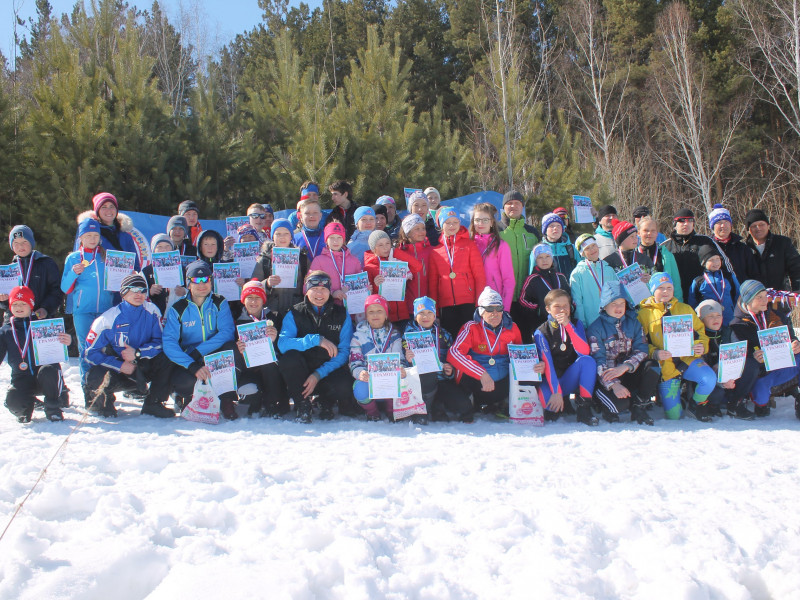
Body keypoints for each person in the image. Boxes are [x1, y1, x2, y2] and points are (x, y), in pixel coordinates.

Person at [84, 273, 175, 418]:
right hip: (119, 370)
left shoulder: (152, 311)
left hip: (144, 365)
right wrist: (118, 365)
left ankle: (154, 403)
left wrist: (138, 353)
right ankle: (103, 402)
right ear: (123, 293)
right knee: (94, 374)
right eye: (133, 289)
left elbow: (160, 343)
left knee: (169, 357)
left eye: (143, 290)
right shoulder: (107, 319)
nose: (139, 294)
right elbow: (90, 353)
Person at [277, 271, 358, 423]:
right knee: (289, 359)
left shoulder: (341, 314)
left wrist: (318, 374)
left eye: (324, 289)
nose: (319, 294)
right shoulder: (295, 312)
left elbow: (344, 351)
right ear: (307, 291)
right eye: (314, 289)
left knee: (345, 385)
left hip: (327, 371)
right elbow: (283, 344)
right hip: (302, 372)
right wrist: (315, 340)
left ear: (330, 291)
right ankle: (302, 404)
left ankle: (325, 401)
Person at [162, 260, 239, 420]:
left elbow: (227, 332)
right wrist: (191, 365)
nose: (202, 284)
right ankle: (189, 397)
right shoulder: (178, 308)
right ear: (188, 284)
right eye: (196, 280)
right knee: (183, 381)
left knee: (231, 347)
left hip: (211, 354)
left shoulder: (219, 302)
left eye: (206, 279)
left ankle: (226, 398)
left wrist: (200, 351)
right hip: (190, 359)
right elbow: (169, 343)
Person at [638, 272, 717, 421]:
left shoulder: (685, 308)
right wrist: (655, 353)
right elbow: (639, 343)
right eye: (661, 288)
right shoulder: (643, 314)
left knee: (709, 378)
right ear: (653, 290)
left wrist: (701, 345)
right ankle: (678, 399)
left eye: (669, 287)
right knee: (674, 416)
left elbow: (701, 332)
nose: (666, 291)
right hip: (666, 366)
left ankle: (696, 404)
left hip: (687, 359)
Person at [588, 281, 658, 425]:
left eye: (622, 303)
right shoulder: (595, 328)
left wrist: (626, 366)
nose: (618, 307)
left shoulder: (633, 322)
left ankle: (638, 405)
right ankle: (604, 403)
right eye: (613, 303)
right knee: (619, 406)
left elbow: (642, 349)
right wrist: (614, 385)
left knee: (653, 366)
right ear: (605, 305)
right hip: (607, 377)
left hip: (628, 372)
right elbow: (598, 360)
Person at [729, 279, 800, 419]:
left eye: (765, 296)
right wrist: (752, 354)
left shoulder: (775, 314)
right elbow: (738, 354)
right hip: (761, 372)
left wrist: (794, 342)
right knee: (755, 376)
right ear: (748, 300)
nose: (764, 300)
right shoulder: (737, 324)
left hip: (779, 363)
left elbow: (790, 335)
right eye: (759, 297)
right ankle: (749, 402)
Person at [449, 287, 524, 416]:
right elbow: (454, 353)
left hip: (503, 382)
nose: (495, 313)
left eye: (499, 308)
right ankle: (474, 400)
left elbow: (521, 357)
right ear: (481, 311)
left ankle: (505, 401)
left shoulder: (513, 328)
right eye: (489, 309)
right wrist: (482, 374)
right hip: (478, 383)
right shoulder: (471, 328)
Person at [1, 286, 70, 422]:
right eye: (15, 304)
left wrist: (68, 341)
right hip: (22, 378)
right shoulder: (5, 331)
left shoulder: (44, 326)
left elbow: (61, 350)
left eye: (23, 303)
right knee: (13, 400)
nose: (19, 307)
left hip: (45, 377)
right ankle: (25, 410)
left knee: (49, 370)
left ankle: (53, 408)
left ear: (31, 305)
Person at [61, 217, 114, 396]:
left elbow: (117, 282)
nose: (92, 239)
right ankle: (88, 388)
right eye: (88, 235)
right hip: (83, 311)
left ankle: (106, 388)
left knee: (105, 348)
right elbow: (65, 288)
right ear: (81, 238)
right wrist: (73, 274)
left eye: (95, 235)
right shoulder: (74, 258)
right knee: (86, 349)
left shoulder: (107, 256)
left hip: (105, 310)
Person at [402, 296, 474, 422]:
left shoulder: (445, 334)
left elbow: (452, 359)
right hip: (419, 381)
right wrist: (408, 360)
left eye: (430, 313)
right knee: (427, 379)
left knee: (465, 406)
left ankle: (437, 407)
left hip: (441, 379)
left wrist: (449, 370)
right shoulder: (407, 335)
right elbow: (402, 361)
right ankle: (421, 412)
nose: (426, 317)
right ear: (415, 316)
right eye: (421, 313)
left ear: (435, 316)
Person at [534, 289, 598, 425]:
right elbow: (548, 363)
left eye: (565, 306)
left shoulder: (576, 324)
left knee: (587, 361)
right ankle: (562, 399)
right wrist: (556, 392)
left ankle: (584, 408)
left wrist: (568, 326)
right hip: (552, 380)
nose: (562, 310)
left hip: (569, 377)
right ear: (548, 309)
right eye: (557, 306)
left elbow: (584, 352)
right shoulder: (541, 332)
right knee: (549, 407)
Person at [349, 294, 411, 422]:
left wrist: (401, 368)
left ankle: (392, 411)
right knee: (360, 389)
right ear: (366, 315)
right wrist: (360, 373)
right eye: (371, 312)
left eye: (379, 311)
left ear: (386, 314)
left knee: (401, 380)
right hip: (370, 380)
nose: (375, 315)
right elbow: (354, 362)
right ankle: (372, 412)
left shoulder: (394, 335)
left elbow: (400, 359)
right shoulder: (358, 336)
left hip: (389, 380)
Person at [233, 280, 289, 418]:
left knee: (269, 363)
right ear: (243, 300)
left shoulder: (274, 316)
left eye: (257, 297)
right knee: (248, 391)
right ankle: (255, 401)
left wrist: (276, 339)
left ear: (263, 300)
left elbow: (285, 345)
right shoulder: (237, 320)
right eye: (249, 298)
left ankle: (273, 402)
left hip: (272, 368)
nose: (253, 302)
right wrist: (238, 348)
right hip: (249, 368)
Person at [427, 207, 486, 337]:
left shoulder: (469, 245)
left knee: (470, 339)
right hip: (446, 305)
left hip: (468, 303)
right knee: (451, 339)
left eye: (455, 222)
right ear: (441, 225)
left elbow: (479, 276)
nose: (452, 226)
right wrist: (435, 312)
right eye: (448, 222)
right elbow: (432, 285)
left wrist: (479, 305)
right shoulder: (435, 252)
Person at [695, 299, 754, 420]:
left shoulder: (728, 332)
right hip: (712, 380)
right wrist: (721, 381)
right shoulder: (699, 336)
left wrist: (732, 373)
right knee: (717, 391)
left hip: (729, 376)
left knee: (750, 366)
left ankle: (737, 402)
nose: (715, 319)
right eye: (710, 316)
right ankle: (711, 405)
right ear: (701, 319)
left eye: (718, 315)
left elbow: (738, 354)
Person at [498, 190, 540, 341]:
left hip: (527, 295)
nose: (513, 206)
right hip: (504, 295)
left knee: (527, 336)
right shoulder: (497, 230)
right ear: (504, 207)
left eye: (517, 203)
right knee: (506, 337)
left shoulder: (532, 232)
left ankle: (528, 363)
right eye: (509, 203)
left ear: (522, 207)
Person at [252, 219, 309, 330]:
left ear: (291, 236)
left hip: (296, 308)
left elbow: (309, 282)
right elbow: (253, 286)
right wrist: (266, 283)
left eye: (286, 233)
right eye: (278, 234)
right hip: (272, 311)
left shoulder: (302, 258)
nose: (282, 237)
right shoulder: (264, 260)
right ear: (272, 236)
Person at [0, 225, 63, 325]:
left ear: (31, 242)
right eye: (16, 243)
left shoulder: (46, 263)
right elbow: (6, 304)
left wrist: (46, 308)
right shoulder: (9, 270)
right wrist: (3, 300)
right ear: (11, 246)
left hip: (40, 318)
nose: (20, 246)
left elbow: (56, 290)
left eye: (24, 242)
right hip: (15, 322)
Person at [364, 230, 422, 324]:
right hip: (385, 317)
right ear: (373, 248)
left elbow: (418, 266)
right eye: (380, 245)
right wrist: (375, 285)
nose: (385, 247)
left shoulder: (397, 260)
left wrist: (396, 252)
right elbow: (367, 295)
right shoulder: (369, 267)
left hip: (403, 313)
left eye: (387, 243)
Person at [661, 208, 718, 303]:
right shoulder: (665, 246)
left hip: (702, 294)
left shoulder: (705, 241)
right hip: (675, 296)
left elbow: (721, 263)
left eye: (690, 221)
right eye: (682, 221)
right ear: (675, 224)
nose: (686, 224)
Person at [470, 203, 515, 311]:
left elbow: (508, 280)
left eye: (485, 220)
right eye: (477, 220)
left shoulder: (501, 246)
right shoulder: (468, 244)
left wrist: (505, 309)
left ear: (492, 222)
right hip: (471, 299)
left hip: (493, 301)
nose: (481, 223)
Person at [569, 234, 619, 329]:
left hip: (611, 320)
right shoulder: (577, 274)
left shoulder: (608, 269)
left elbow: (617, 294)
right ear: (582, 253)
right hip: (591, 323)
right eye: (587, 248)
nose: (592, 250)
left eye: (593, 245)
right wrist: (582, 325)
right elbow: (577, 302)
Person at [744, 208, 800, 292]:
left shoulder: (782, 243)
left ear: (768, 226)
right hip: (755, 299)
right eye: (753, 226)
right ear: (748, 230)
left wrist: (797, 290)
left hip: (780, 297)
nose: (758, 228)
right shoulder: (744, 249)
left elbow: (796, 268)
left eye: (761, 224)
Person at [520, 244, 570, 336]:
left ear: (552, 257)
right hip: (541, 323)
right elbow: (523, 300)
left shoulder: (561, 277)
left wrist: (570, 308)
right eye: (540, 257)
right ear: (535, 260)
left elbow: (570, 296)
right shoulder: (532, 279)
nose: (544, 260)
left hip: (563, 321)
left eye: (547, 256)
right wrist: (538, 309)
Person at [309, 222, 362, 306]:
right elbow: (308, 287)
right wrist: (332, 293)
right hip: (328, 309)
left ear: (343, 239)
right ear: (326, 240)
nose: (335, 241)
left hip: (351, 308)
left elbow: (361, 282)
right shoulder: (319, 261)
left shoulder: (354, 261)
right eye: (332, 237)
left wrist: (366, 288)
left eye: (339, 237)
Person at [88, 192, 143, 270]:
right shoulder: (89, 234)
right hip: (97, 280)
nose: (109, 210)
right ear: (98, 211)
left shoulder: (126, 236)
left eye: (112, 206)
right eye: (104, 207)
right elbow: (82, 259)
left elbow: (135, 266)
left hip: (123, 280)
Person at [689, 246, 740, 326]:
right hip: (708, 321)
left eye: (717, 259)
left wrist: (737, 314)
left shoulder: (729, 276)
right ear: (704, 263)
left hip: (729, 318)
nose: (716, 262)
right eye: (711, 260)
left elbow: (738, 295)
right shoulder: (698, 281)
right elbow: (693, 302)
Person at [708, 204, 757, 284]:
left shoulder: (742, 248)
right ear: (713, 227)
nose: (723, 226)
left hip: (742, 293)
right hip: (718, 294)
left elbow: (753, 274)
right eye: (719, 223)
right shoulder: (708, 248)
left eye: (726, 222)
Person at [636, 216, 682, 301]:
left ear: (657, 233)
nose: (649, 233)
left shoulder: (666, 255)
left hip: (663, 304)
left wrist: (677, 304)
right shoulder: (633, 255)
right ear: (639, 233)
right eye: (646, 230)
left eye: (653, 231)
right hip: (641, 304)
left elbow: (675, 282)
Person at [142, 234, 187, 317]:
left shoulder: (182, 269)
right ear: (153, 250)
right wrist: (149, 292)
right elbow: (138, 293)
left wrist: (184, 292)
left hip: (178, 314)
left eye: (167, 246)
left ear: (172, 248)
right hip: (154, 315)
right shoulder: (146, 271)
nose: (164, 250)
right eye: (159, 247)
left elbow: (192, 290)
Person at [397, 214, 433, 316]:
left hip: (429, 307)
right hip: (408, 307)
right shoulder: (399, 254)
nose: (422, 232)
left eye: (423, 228)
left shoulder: (432, 251)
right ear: (408, 232)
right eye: (417, 229)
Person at [538, 212, 577, 278]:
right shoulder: (539, 250)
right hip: (550, 288)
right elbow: (534, 276)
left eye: (558, 225)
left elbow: (580, 271)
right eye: (551, 226)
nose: (555, 228)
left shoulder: (571, 248)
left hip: (570, 287)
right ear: (545, 230)